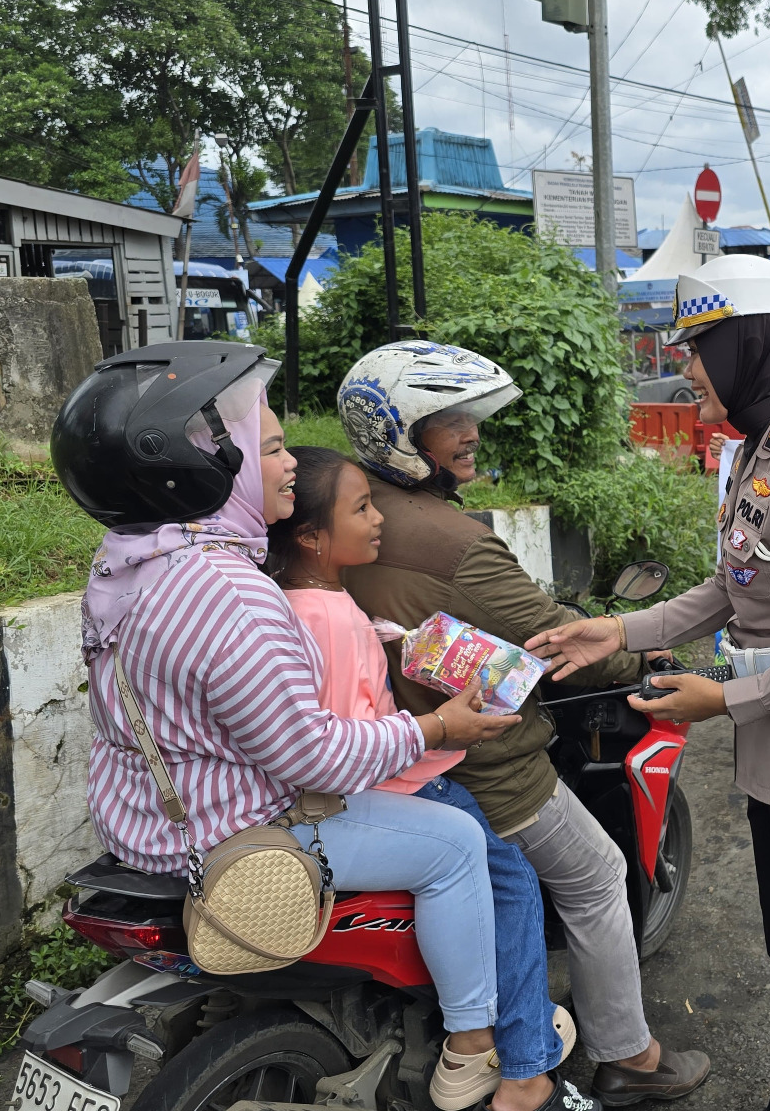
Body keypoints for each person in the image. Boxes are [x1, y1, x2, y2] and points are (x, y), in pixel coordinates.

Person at [50, 342, 596, 1111]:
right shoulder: (229, 591)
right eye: (270, 449)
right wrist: (435, 727)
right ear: (207, 467)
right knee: (462, 844)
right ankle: (476, 1044)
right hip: (235, 827)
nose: (285, 468)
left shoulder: (133, 561)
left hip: (146, 821)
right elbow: (316, 758)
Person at [528, 254, 770, 1111]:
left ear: (752, 346)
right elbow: (732, 583)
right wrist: (618, 629)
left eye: (699, 344)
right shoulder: (761, 447)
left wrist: (722, 700)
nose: (683, 364)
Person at [336, 341, 710, 1108]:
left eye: (472, 415)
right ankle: (629, 1058)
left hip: (374, 757)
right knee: (599, 876)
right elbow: (549, 641)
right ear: (401, 434)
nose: (471, 431)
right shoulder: (458, 542)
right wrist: (632, 652)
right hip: (487, 765)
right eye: (449, 419)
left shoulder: (335, 517)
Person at [266, 446, 576, 1111]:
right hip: (389, 788)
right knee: (513, 877)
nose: (379, 519)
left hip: (344, 795)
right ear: (313, 537)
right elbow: (347, 742)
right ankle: (518, 1064)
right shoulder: (329, 617)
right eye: (362, 509)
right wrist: (445, 731)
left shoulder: (301, 599)